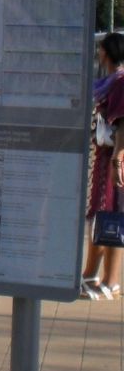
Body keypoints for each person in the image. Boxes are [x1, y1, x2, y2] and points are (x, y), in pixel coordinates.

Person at [82, 32, 124, 300]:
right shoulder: (111, 82)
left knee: (112, 218)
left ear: (106, 53)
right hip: (105, 157)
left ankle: (109, 280)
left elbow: (122, 123)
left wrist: (118, 159)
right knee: (103, 215)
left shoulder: (120, 82)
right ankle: (92, 275)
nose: (97, 54)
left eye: (99, 50)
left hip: (114, 159)